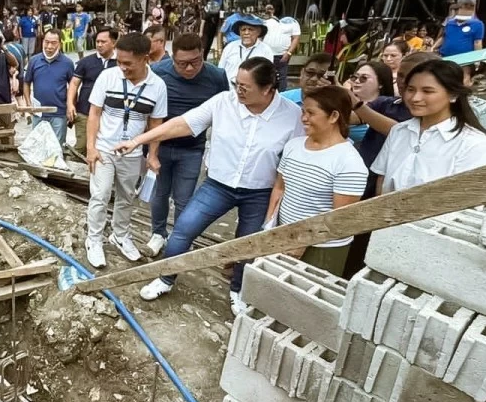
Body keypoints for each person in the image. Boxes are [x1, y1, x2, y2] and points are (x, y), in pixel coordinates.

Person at [122, 57, 303, 311]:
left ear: (268, 89)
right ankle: (165, 278)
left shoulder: (292, 116)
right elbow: (181, 124)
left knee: (247, 244)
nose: (237, 90)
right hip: (218, 185)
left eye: (245, 86)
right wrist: (139, 140)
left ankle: (238, 290)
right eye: (236, 83)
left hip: (259, 192)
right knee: (183, 229)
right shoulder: (223, 103)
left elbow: (299, 156)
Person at [84, 32, 168, 269]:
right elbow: (95, 113)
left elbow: (156, 123)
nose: (122, 67)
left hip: (132, 154)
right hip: (104, 149)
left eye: (128, 63)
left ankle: (120, 236)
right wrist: (91, 147)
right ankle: (94, 239)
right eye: (119, 61)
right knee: (100, 196)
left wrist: (152, 154)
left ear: (144, 59)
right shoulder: (107, 77)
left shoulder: (157, 86)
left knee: (126, 197)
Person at [264, 86, 369, 275]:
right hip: (284, 234)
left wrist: (304, 241)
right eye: (303, 111)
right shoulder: (293, 146)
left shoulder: (349, 162)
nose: (303, 118)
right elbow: (279, 188)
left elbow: (339, 218)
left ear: (334, 116)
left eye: (311, 113)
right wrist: (269, 226)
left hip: (323, 248)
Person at [145, 33, 230, 257]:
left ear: (202, 55)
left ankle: (179, 237)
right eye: (183, 64)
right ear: (172, 59)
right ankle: (158, 233)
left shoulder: (217, 76)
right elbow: (149, 112)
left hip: (192, 149)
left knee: (184, 197)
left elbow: (225, 112)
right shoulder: (158, 72)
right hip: (161, 146)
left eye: (195, 62)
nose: (190, 68)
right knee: (160, 194)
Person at [371, 59, 486, 194]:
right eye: (411, 89)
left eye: (427, 91)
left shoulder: (475, 144)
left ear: (453, 95)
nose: (415, 98)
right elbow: (382, 180)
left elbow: (471, 200)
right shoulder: (399, 131)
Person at [68, 27, 117, 159]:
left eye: (103, 42)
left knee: (105, 149)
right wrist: (70, 104)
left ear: (114, 42)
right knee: (81, 147)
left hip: (110, 116)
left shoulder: (120, 64)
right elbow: (74, 83)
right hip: (85, 112)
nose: (99, 45)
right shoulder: (85, 62)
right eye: (97, 41)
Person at [22, 29, 74, 145]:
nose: (49, 46)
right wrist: (28, 104)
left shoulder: (67, 63)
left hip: (59, 114)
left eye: (53, 43)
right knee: (38, 147)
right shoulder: (34, 61)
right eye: (46, 42)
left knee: (57, 147)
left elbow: (73, 86)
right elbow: (26, 82)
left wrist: (71, 106)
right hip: (38, 113)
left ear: (60, 43)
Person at [258, 0, 301, 90]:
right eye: (266, 5)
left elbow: (296, 38)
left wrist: (289, 53)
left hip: (282, 55)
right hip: (265, 55)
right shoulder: (262, 21)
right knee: (266, 78)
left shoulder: (290, 21)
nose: (267, 9)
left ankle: (282, 97)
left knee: (281, 78)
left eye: (270, 6)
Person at [345, 61, 395, 144]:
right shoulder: (345, 102)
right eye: (354, 77)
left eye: (363, 78)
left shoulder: (388, 107)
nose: (357, 81)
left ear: (381, 83)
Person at [219, 15, 275, 87]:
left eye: (250, 29)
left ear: (258, 32)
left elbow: (267, 74)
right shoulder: (230, 47)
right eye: (243, 29)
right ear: (239, 32)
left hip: (252, 92)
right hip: (228, 90)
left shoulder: (265, 50)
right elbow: (220, 70)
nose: (246, 33)